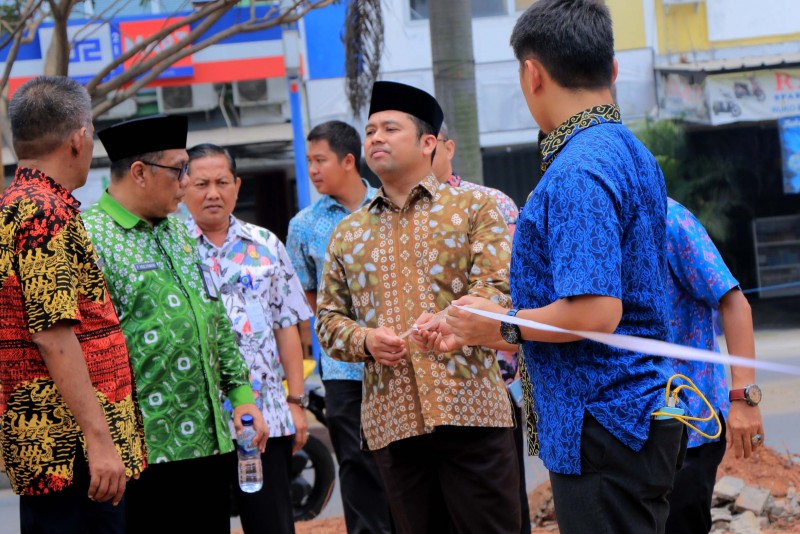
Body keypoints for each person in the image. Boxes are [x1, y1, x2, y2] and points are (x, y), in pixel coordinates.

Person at [419, 2, 686, 533]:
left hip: (604, 422)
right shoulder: (630, 151)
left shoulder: (577, 169)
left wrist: (500, 326)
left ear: (532, 74)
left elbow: (595, 312)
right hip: (633, 415)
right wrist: (491, 321)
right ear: (612, 69)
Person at [315, 80, 521, 534]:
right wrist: (366, 340)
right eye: (370, 131)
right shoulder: (348, 232)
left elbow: (499, 288)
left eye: (390, 129)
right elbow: (327, 321)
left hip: (470, 408)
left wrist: (451, 319)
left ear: (429, 143)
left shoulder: (475, 206)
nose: (376, 138)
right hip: (393, 419)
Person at [81, 115, 268, 534]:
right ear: (140, 172)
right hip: (142, 450)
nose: (187, 183)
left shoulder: (179, 233)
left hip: (207, 441)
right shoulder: (89, 238)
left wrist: (241, 396)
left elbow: (214, 319)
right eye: (180, 170)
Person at [0, 75, 146, 533]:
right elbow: (52, 334)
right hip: (72, 450)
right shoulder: (45, 212)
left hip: (49, 442)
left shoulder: (14, 205)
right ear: (78, 139)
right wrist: (99, 439)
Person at [183, 143, 312, 534]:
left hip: (265, 417)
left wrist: (296, 401)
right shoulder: (172, 248)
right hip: (196, 425)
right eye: (201, 183)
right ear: (183, 186)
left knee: (271, 524)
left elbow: (286, 325)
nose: (213, 193)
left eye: (222, 182)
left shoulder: (266, 245)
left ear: (237, 186)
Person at [285, 120, 393, 534]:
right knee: (356, 462)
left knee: (403, 460)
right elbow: (308, 296)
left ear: (348, 161)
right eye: (309, 161)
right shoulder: (303, 225)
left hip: (397, 359)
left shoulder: (389, 205)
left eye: (320, 160)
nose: (312, 170)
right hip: (342, 368)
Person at [431, 120, 531, 534]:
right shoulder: (385, 218)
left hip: (490, 377)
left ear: (447, 147)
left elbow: (514, 286)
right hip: (423, 385)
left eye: (431, 143)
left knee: (500, 503)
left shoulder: (491, 204)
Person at [665, 197, 764, 534]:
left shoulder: (670, 219)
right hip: (627, 433)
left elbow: (734, 302)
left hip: (690, 424)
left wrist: (744, 398)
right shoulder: (591, 221)